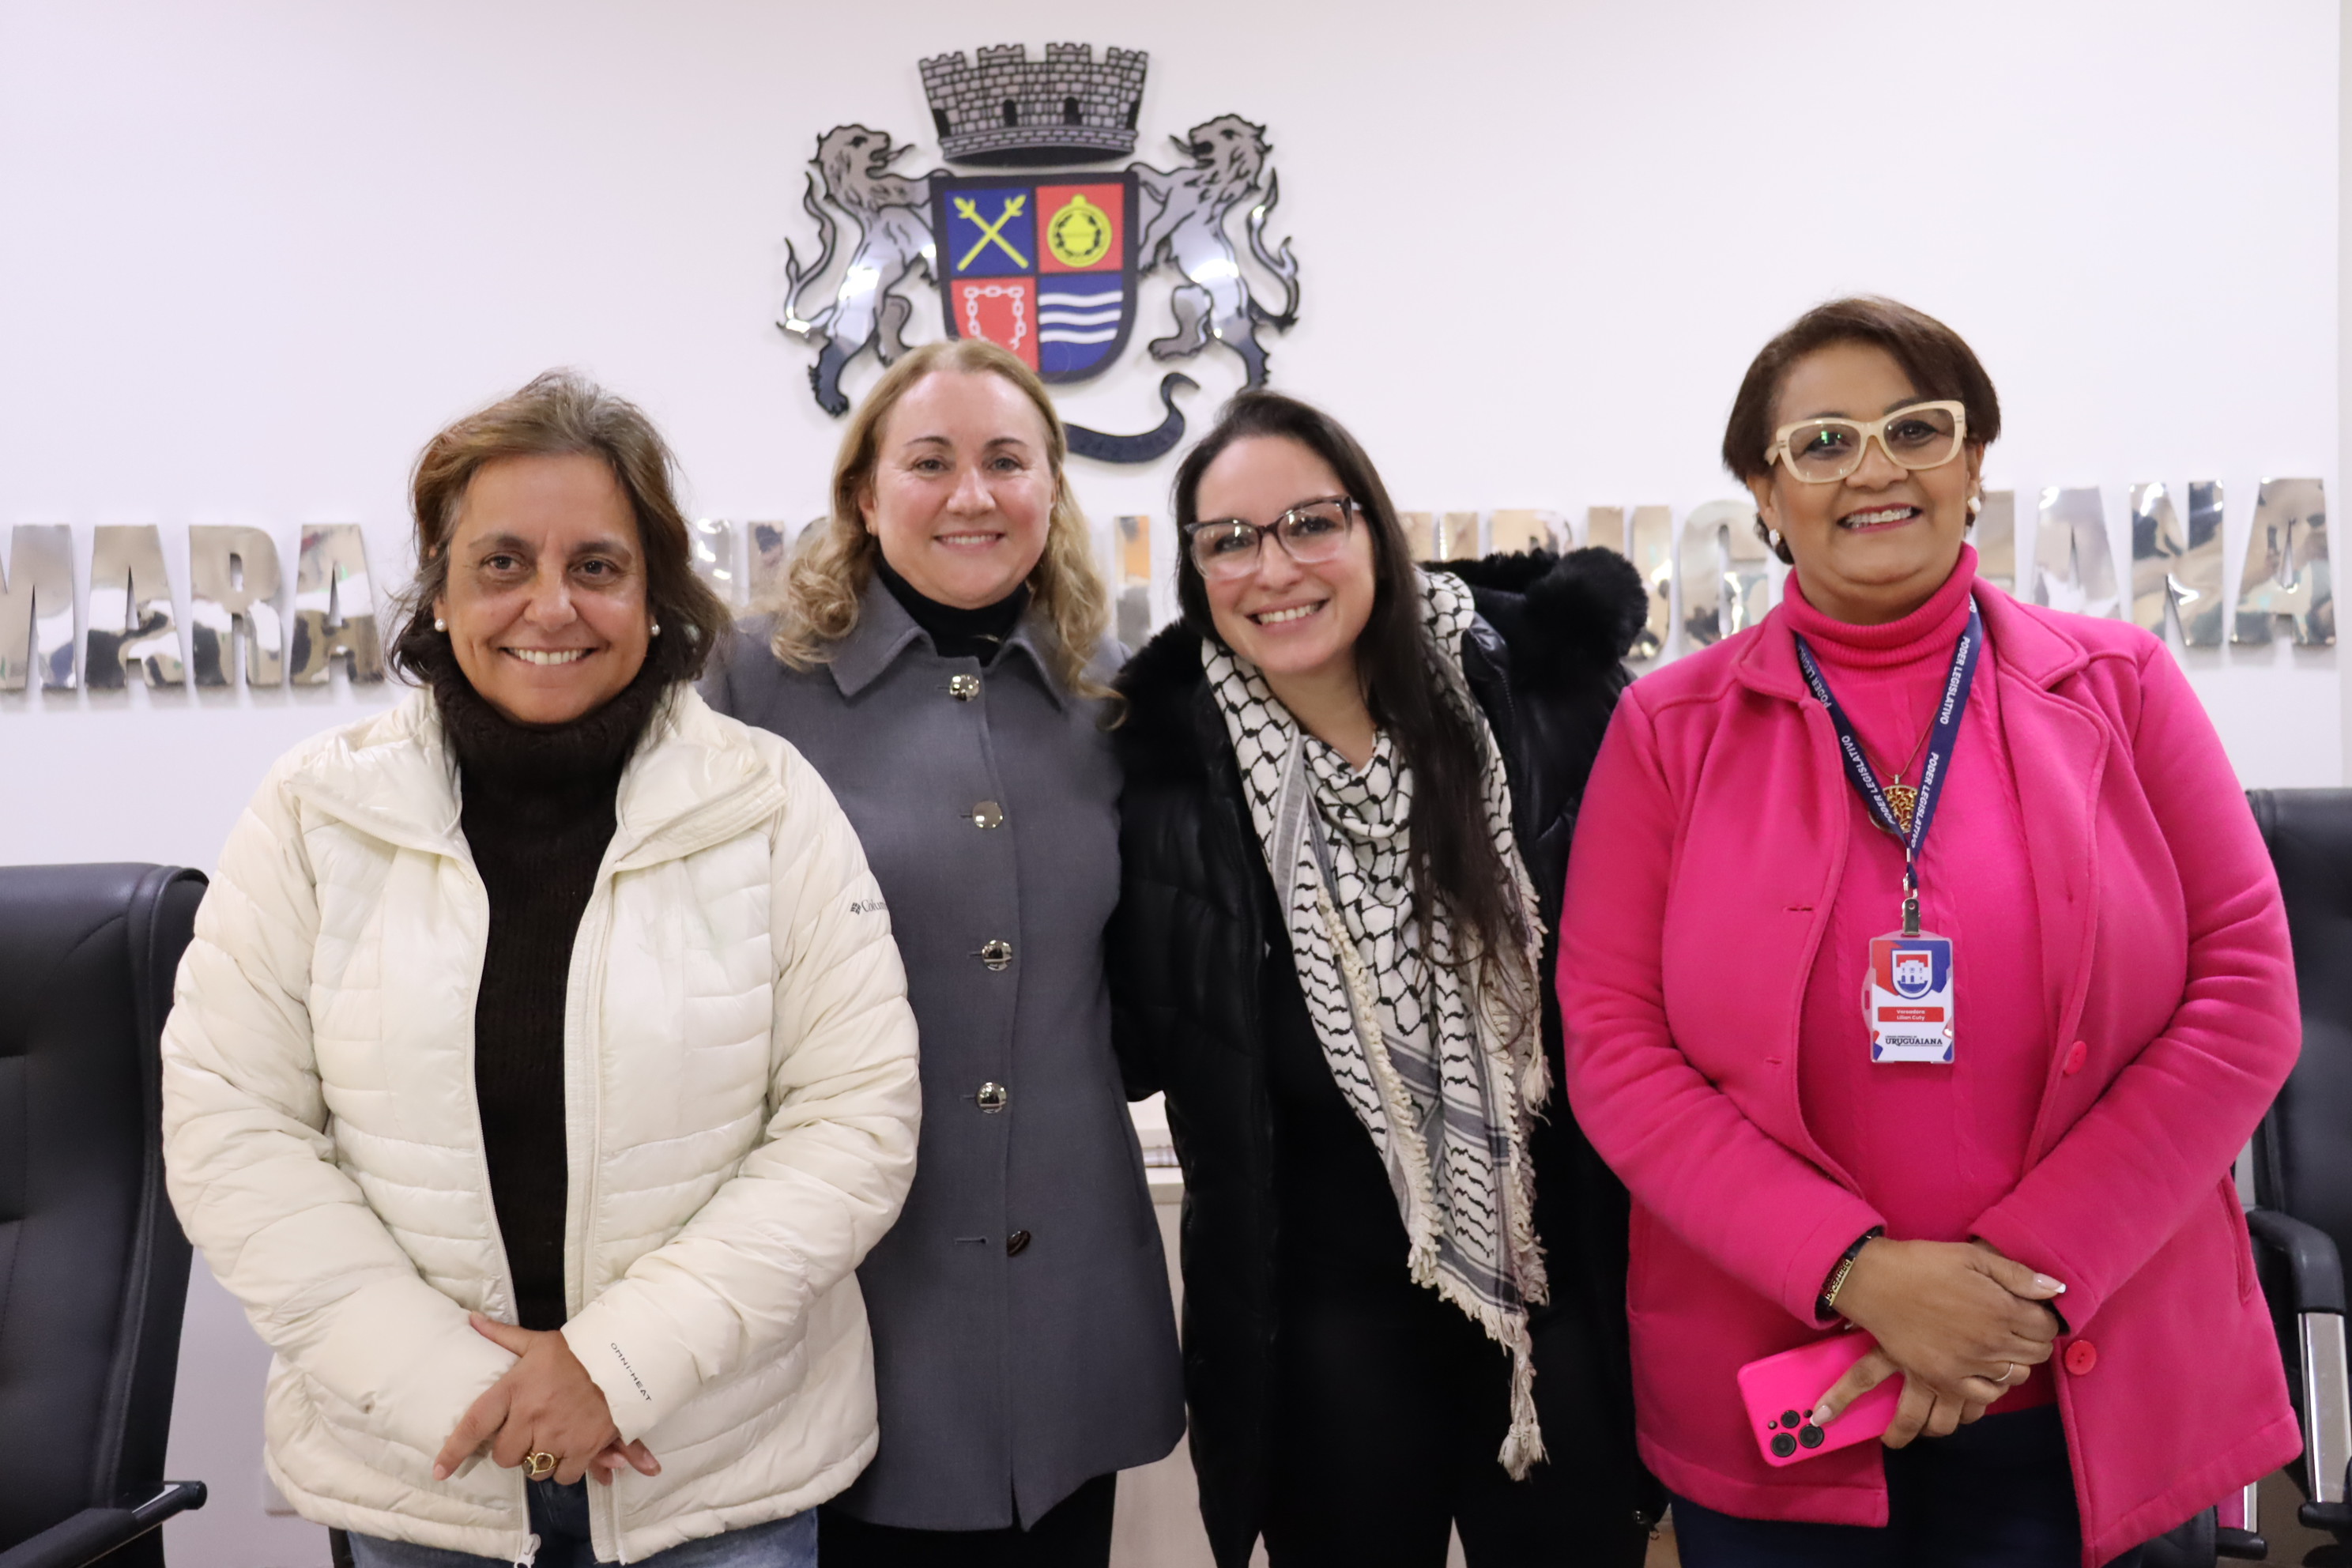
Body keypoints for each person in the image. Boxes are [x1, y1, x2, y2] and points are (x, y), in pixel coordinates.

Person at [1558, 296, 2301, 1568]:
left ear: (1972, 463)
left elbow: (2244, 999)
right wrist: (1859, 1275)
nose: (1876, 468)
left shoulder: (2119, 687)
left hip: (2092, 1385)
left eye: (1916, 427)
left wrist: (2003, 1295)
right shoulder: (1667, 733)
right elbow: (1618, 1054)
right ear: (1765, 490)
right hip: (1793, 1389)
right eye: (1825, 442)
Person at [160, 371, 922, 1568]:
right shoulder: (316, 811)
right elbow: (232, 1128)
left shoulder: (769, 804)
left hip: (711, 1475)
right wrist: (463, 1392)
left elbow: (852, 1122)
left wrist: (612, 1372)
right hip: (429, 1473)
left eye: (598, 566)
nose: (549, 606)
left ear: (654, 589)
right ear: (443, 586)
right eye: (503, 563)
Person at [1109, 390, 1657, 1568]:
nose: (1276, 567)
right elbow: (1133, 1038)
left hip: (1550, 1281)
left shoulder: (1544, 693)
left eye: (1311, 522)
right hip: (1320, 1313)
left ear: (1373, 530)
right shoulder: (1159, 777)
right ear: (1197, 569)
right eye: (1232, 540)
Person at [702, 337, 1183, 1566]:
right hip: (857, 1302)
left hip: (1071, 1296)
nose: (972, 494)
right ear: (864, 495)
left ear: (1052, 491)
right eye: (930, 461)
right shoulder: (748, 691)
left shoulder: (1109, 694)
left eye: (1007, 462)